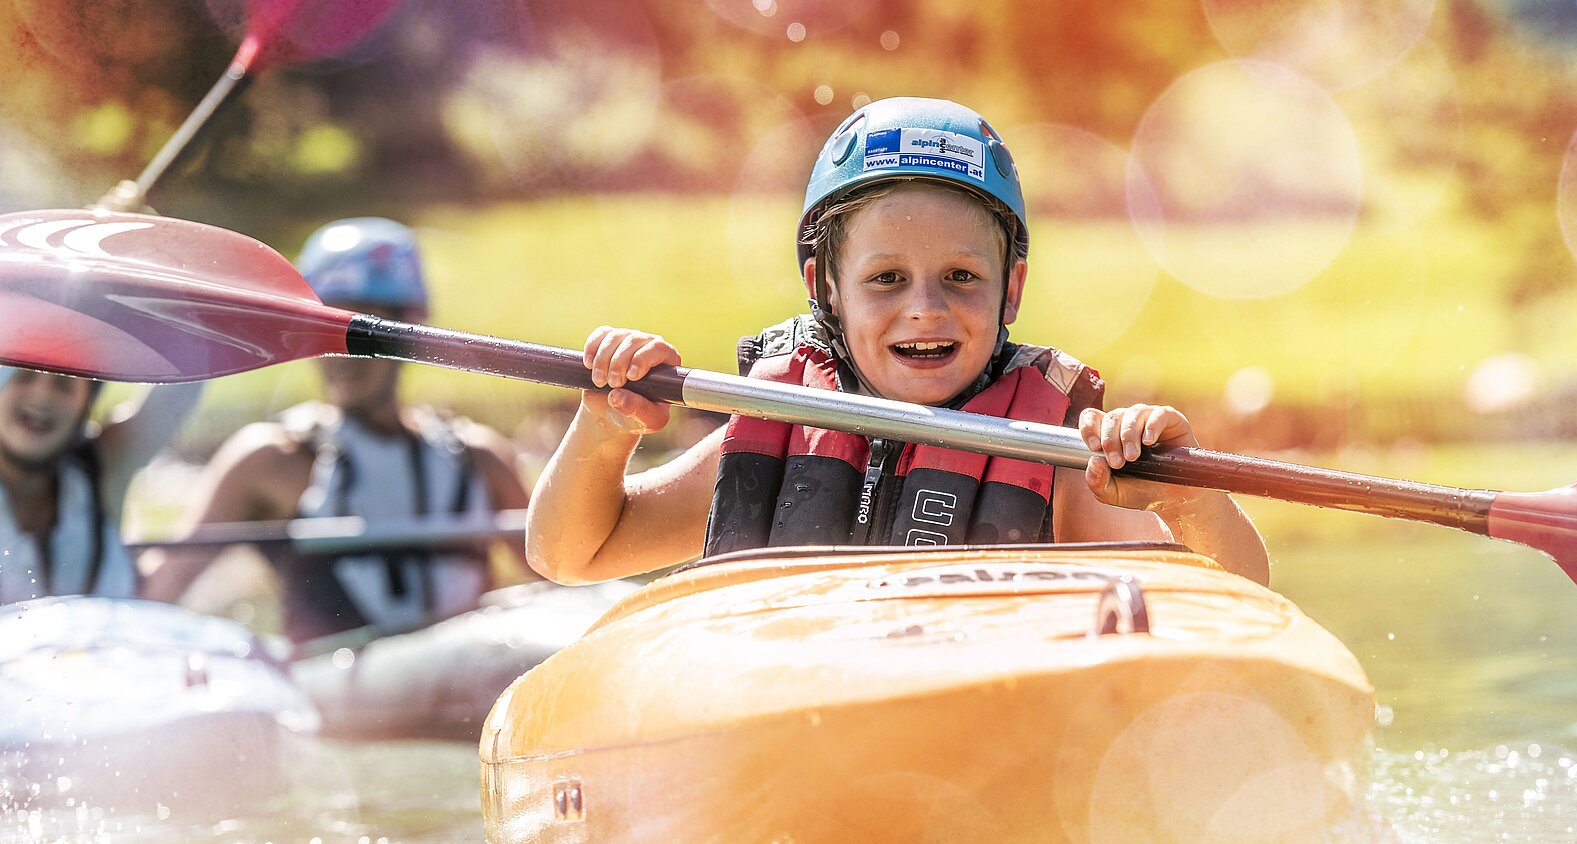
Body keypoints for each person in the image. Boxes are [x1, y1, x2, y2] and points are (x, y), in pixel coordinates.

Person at [526, 97, 1267, 584]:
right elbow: (570, 554)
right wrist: (604, 427)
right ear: (824, 287)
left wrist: (1189, 504)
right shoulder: (780, 424)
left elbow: (1235, 596)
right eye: (885, 278)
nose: (926, 309)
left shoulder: (1060, 456)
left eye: (960, 276)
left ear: (1010, 289)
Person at [142, 217, 530, 642]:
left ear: (413, 335)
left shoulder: (480, 458)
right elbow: (158, 588)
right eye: (322, 330)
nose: (341, 354)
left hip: (475, 694)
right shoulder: (270, 460)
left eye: (365, 333)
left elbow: (566, 584)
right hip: (335, 702)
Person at [0, 369, 200, 603]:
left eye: (64, 383)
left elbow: (189, 369)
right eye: (22, 376)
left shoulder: (103, 465)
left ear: (88, 403)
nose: (42, 395)